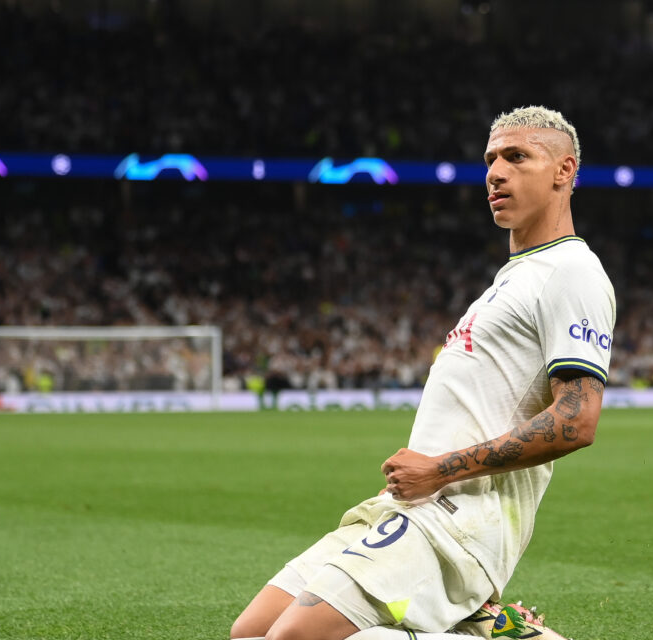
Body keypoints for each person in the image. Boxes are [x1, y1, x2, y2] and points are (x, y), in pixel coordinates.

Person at [230, 106, 616, 640]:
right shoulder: (513, 279)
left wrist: (439, 470)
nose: (495, 173)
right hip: (408, 507)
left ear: (564, 171)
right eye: (490, 160)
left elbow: (576, 420)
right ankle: (479, 624)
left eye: (516, 157)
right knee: (250, 633)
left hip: (456, 518)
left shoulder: (571, 271)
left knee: (295, 638)